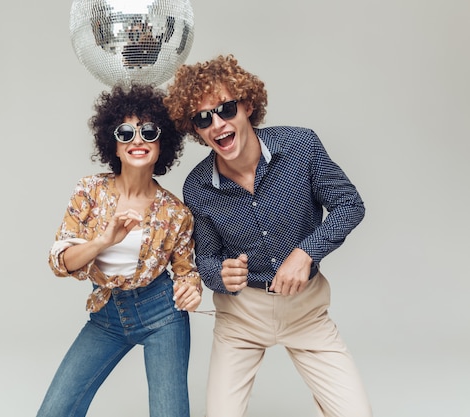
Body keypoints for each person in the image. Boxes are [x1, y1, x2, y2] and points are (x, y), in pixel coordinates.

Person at [163, 54, 372, 417]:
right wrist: (221, 276)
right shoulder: (197, 186)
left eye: (225, 109)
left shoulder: (302, 147)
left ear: (246, 105)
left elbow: (349, 205)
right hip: (240, 320)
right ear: (194, 129)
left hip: (306, 313)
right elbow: (207, 261)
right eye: (202, 118)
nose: (217, 124)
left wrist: (306, 253)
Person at [36, 83, 202, 417]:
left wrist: (190, 290)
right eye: (125, 132)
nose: (137, 140)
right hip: (108, 315)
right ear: (113, 142)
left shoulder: (176, 212)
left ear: (162, 142)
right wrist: (103, 241)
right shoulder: (90, 191)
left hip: (163, 316)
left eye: (148, 131)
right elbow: (60, 263)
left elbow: (186, 273)